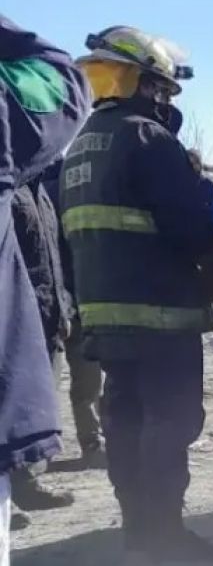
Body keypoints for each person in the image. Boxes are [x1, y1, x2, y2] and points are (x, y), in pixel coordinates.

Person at [60, 25, 213, 562]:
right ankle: (165, 536)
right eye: (162, 89)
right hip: (159, 315)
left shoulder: (80, 147)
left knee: (125, 420)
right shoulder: (147, 138)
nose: (165, 101)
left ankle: (138, 530)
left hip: (106, 319)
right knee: (171, 421)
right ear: (144, 83)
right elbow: (187, 221)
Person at [0, 14, 91, 562]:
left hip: (47, 307)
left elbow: (51, 252)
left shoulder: (37, 190)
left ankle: (30, 475)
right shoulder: (13, 159)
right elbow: (61, 79)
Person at [10, 175, 76, 515]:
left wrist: (63, 306)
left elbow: (53, 256)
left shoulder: (43, 193)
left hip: (48, 315)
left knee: (39, 408)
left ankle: (28, 483)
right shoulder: (10, 192)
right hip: (17, 319)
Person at [41, 160, 105, 469]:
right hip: (78, 298)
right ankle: (92, 444)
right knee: (88, 378)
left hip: (46, 303)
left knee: (45, 384)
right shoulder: (73, 191)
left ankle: (37, 456)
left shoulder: (33, 191)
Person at [187, 149, 213, 228]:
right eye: (189, 164)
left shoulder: (208, 185)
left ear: (200, 164)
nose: (193, 166)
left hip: (205, 229)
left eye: (196, 162)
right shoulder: (180, 185)